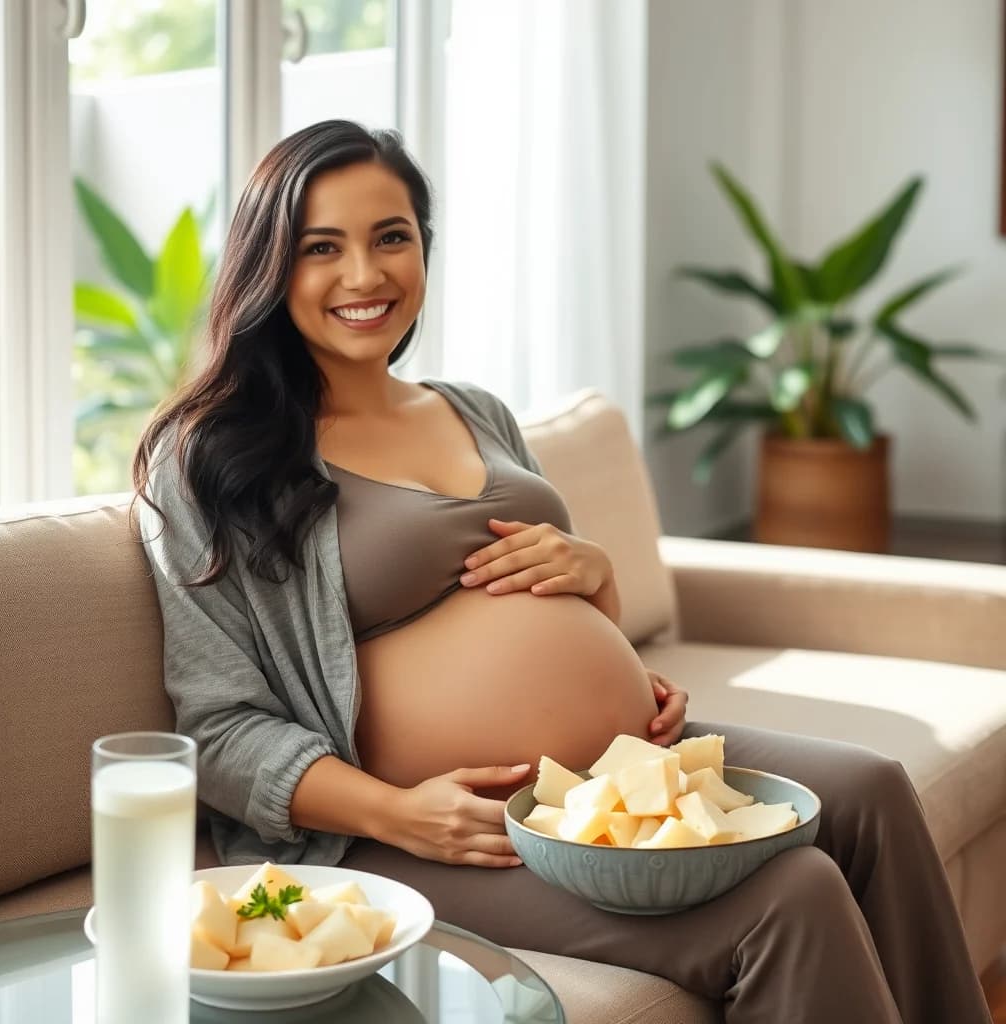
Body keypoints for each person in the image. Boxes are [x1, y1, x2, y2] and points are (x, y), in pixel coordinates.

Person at [133, 119, 991, 1024]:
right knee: (793, 893)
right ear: (269, 267)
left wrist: (601, 596)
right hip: (425, 830)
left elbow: (567, 620)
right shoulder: (211, 460)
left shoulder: (475, 409)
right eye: (322, 248)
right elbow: (221, 729)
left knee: (871, 790)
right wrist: (393, 811)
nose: (365, 275)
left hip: (616, 771)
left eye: (392, 237)